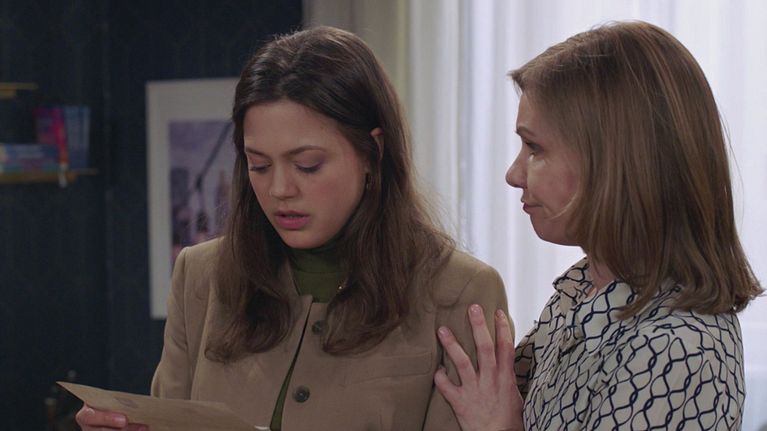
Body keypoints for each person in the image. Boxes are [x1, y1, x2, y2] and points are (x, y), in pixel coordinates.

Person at [76, 26, 509, 431]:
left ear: (372, 152)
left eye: (307, 165)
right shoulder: (200, 275)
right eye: (259, 165)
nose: (280, 190)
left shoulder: (460, 291)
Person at [434, 20, 763, 430]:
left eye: (535, 148)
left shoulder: (678, 350)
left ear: (614, 163)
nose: (514, 174)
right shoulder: (580, 292)